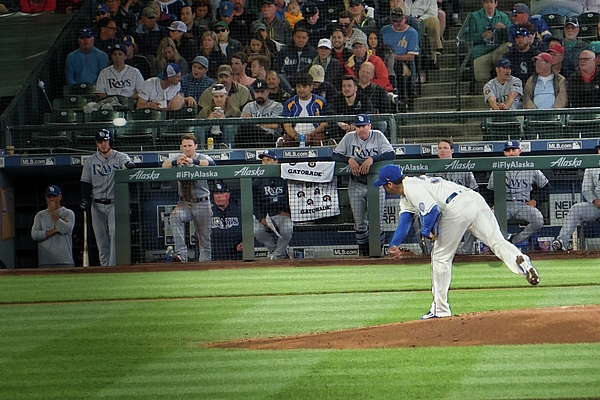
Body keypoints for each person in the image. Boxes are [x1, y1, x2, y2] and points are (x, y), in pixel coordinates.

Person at [376, 164, 539, 320]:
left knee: (440, 257)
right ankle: (522, 261)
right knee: (496, 241)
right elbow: (405, 221)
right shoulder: (409, 193)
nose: (383, 187)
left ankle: (440, 310)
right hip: (474, 200)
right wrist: (394, 244)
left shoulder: (411, 186)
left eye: (383, 184)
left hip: (456, 207)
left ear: (389, 184)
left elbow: (431, 209)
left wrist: (426, 231)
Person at [332, 114, 395, 256]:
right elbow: (335, 155)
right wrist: (349, 159)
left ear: (369, 126)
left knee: (377, 223)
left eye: (364, 126)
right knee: (359, 223)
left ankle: (378, 252)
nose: (361, 129)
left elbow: (391, 154)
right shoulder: (349, 137)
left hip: (376, 183)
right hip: (356, 183)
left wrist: (372, 158)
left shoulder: (377, 136)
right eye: (358, 126)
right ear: (355, 127)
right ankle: (364, 254)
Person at [80, 129, 135, 267]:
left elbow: (126, 164)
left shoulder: (120, 156)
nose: (103, 144)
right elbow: (85, 183)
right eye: (100, 141)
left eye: (105, 141)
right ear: (96, 143)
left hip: (114, 203)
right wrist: (84, 199)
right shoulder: (90, 161)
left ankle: (112, 268)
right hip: (96, 204)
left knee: (114, 235)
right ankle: (105, 268)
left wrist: (127, 166)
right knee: (101, 239)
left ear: (110, 141)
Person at [161, 134, 216, 262]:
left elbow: (212, 164)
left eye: (190, 146)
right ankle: (181, 255)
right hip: (185, 203)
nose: (187, 148)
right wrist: (176, 162)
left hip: (202, 202)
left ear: (195, 146)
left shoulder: (201, 157)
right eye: (184, 146)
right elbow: (164, 165)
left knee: (204, 239)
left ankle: (205, 265)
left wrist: (193, 162)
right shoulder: (178, 157)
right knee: (174, 216)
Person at [487, 140, 549, 245]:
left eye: (513, 150)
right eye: (508, 151)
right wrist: (492, 204)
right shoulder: (498, 167)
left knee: (538, 220)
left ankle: (515, 240)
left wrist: (535, 200)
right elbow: (489, 191)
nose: (511, 153)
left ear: (519, 151)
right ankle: (501, 242)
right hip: (504, 205)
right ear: (504, 153)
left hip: (523, 205)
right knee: (488, 219)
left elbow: (546, 187)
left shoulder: (530, 166)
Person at [434, 139, 479, 254]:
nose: (442, 151)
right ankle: (430, 252)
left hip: (461, 206)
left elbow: (474, 189)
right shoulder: (431, 168)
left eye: (445, 148)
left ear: (452, 150)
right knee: (419, 220)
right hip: (440, 207)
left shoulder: (463, 168)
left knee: (472, 218)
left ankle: (465, 253)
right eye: (440, 148)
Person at [553, 142, 600, 251]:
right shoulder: (591, 165)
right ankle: (561, 242)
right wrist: (594, 200)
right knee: (576, 208)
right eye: (599, 149)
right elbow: (586, 189)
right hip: (597, 206)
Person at [253, 149, 294, 260]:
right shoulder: (257, 180)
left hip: (281, 215)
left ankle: (277, 256)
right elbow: (254, 203)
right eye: (263, 160)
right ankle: (279, 253)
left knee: (287, 229)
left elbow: (293, 196)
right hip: (264, 216)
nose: (265, 162)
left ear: (276, 161)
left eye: (268, 160)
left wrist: (289, 212)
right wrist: (261, 218)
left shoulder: (285, 178)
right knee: (257, 231)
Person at [466, 0, 512, 84]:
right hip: (482, 52)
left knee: (509, 45)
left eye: (491, 2)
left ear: (496, 3)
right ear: (483, 4)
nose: (489, 5)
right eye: (486, 2)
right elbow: (467, 37)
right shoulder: (474, 16)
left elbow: (512, 37)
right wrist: (481, 35)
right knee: (481, 77)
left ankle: (500, 77)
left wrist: (505, 29)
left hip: (498, 51)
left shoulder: (503, 16)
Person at [31, 185, 75, 268]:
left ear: (60, 197)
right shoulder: (40, 215)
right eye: (49, 196)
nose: (51, 199)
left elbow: (66, 230)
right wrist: (56, 230)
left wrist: (53, 213)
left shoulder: (68, 213)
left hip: (65, 261)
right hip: (45, 261)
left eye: (54, 196)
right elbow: (35, 235)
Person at [380, 7, 419, 98]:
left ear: (405, 18)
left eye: (398, 21)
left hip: (403, 62)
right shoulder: (384, 30)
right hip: (383, 61)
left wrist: (393, 57)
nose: (395, 24)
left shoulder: (412, 33)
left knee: (399, 68)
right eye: (393, 21)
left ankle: (402, 97)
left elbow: (411, 57)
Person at [281, 73, 327, 146]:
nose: (301, 89)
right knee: (284, 140)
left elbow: (325, 123)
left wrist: (311, 135)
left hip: (314, 135)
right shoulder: (289, 103)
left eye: (304, 87)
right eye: (299, 87)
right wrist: (295, 136)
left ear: (311, 87)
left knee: (319, 139)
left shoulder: (321, 102)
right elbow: (287, 125)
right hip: (295, 137)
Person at [238, 79, 283, 147]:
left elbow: (275, 125)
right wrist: (265, 124)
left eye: (262, 92)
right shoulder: (249, 106)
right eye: (257, 92)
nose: (259, 95)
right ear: (253, 92)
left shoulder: (276, 106)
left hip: (270, 138)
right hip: (251, 138)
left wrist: (254, 123)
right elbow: (243, 125)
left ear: (268, 92)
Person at [404, 0, 443, 68]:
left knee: (434, 20)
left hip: (423, 21)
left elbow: (432, 13)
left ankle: (433, 56)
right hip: (407, 22)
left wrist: (420, 18)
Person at [211, 181, 243, 260]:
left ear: (228, 195)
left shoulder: (238, 210)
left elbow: (250, 230)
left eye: (222, 193)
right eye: (216, 194)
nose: (219, 196)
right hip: (214, 254)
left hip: (236, 254)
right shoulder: (208, 212)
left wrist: (245, 242)